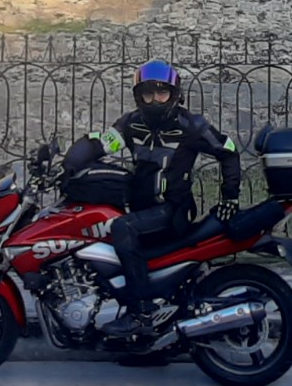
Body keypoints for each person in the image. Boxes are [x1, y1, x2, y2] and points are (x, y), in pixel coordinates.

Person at [98, 60, 242, 337]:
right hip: (143, 210)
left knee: (121, 227)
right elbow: (103, 143)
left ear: (174, 94)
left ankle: (141, 313)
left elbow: (229, 151)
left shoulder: (192, 126)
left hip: (173, 211)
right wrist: (73, 161)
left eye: (161, 92)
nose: (154, 100)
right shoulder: (130, 124)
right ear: (139, 96)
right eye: (148, 93)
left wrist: (230, 198)